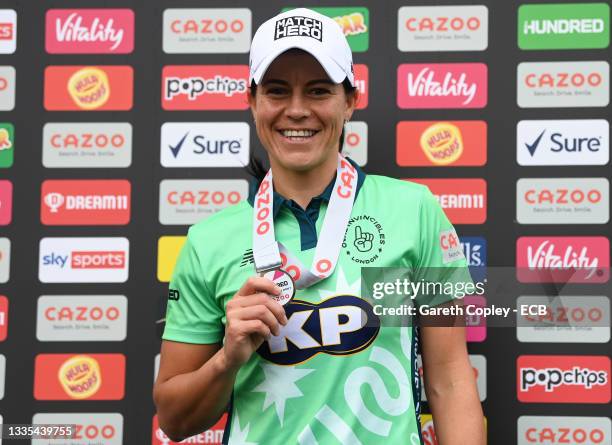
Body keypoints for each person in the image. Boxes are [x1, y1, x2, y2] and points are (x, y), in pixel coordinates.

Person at [154, 8, 485, 445]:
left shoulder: (415, 210)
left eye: (318, 91)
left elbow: (450, 379)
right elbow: (175, 422)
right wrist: (227, 358)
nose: (296, 110)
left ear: (350, 100)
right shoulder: (208, 240)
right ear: (251, 101)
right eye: (276, 91)